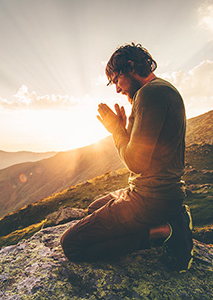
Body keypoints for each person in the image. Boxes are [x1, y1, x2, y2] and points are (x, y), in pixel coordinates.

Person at [60, 42, 193, 272]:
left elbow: (136, 163)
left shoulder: (149, 94)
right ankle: (171, 217)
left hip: (151, 198)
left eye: (116, 80)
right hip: (161, 193)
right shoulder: (162, 89)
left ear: (130, 66)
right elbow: (149, 149)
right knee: (94, 208)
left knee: (71, 245)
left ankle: (167, 231)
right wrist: (125, 129)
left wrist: (116, 131)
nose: (117, 90)